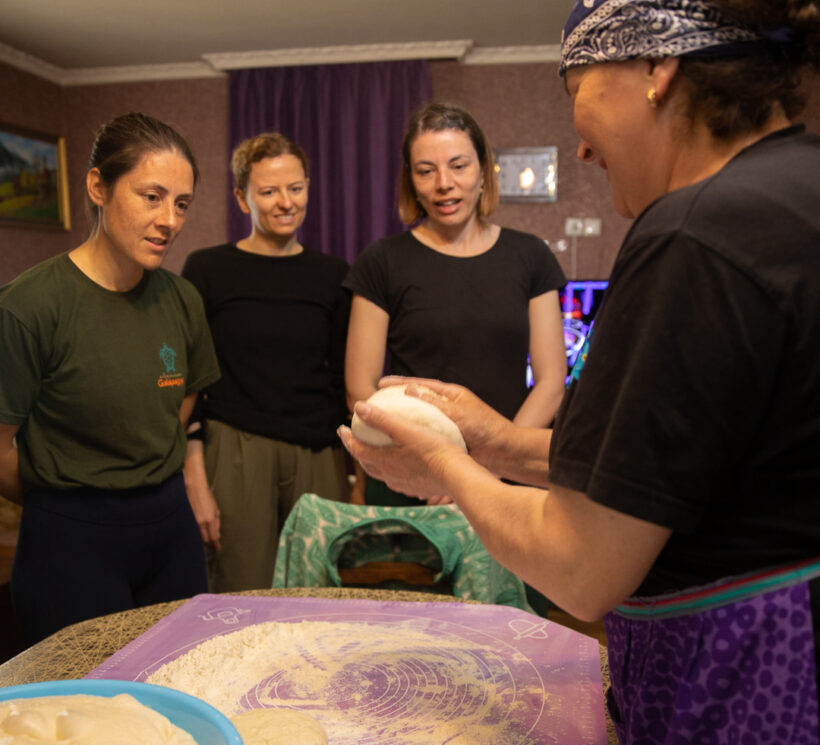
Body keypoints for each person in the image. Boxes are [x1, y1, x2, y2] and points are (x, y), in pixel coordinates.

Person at [339, 0, 820, 745]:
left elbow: (583, 565)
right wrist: (498, 440)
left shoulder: (695, 234)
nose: (583, 146)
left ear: (656, 68)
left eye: (578, 92)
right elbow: (669, 464)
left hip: (757, 690)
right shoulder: (794, 192)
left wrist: (446, 467)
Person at [0, 112, 219, 646]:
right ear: (98, 186)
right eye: (152, 197)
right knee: (88, 690)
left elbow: (183, 398)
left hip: (170, 529)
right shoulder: (29, 307)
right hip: (70, 539)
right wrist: (68, 501)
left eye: (182, 203)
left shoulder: (183, 299)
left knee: (181, 676)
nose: (169, 220)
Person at [344, 101, 567, 504]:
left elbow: (551, 383)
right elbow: (360, 388)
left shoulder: (531, 256)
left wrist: (492, 465)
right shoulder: (381, 261)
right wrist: (428, 466)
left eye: (458, 166)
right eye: (426, 171)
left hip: (506, 484)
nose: (443, 183)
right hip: (412, 478)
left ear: (483, 170)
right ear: (411, 180)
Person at [181, 132, 350, 592]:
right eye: (269, 191)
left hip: (319, 453)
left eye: (295, 188)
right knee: (241, 592)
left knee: (319, 596)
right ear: (242, 198)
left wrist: (354, 475)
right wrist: (194, 477)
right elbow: (189, 381)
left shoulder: (334, 275)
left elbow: (343, 379)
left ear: (308, 188)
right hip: (235, 449)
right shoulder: (206, 270)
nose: (285, 202)